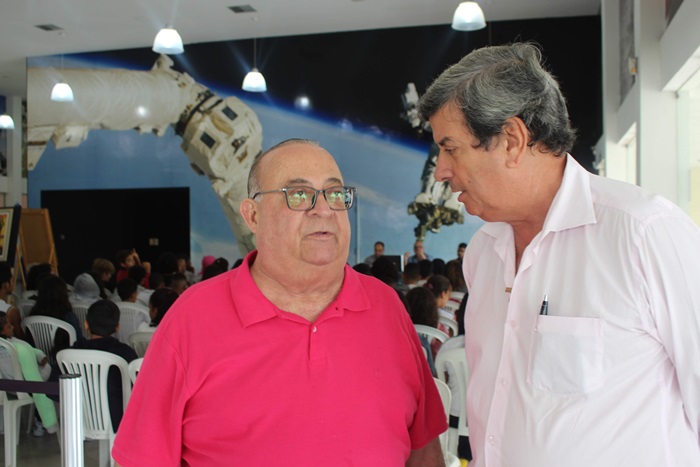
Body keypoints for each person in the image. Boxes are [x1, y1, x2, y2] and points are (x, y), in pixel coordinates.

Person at [417, 42, 700, 466]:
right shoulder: (483, 253)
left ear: (512, 140)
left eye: (450, 147)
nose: (440, 170)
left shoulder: (644, 234)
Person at [113, 138, 446, 466]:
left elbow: (423, 448)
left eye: (335, 194)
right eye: (299, 195)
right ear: (253, 215)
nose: (324, 209)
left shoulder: (386, 306)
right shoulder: (192, 318)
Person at [71, 300, 138, 430]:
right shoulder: (126, 353)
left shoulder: (72, 352)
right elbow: (139, 389)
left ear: (86, 325)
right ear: (117, 327)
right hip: (118, 422)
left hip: (79, 420)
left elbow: (55, 388)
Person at [0, 311, 58, 437]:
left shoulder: (9, 344)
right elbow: (34, 381)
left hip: (6, 387)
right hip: (24, 385)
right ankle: (43, 420)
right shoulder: (18, 349)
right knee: (56, 374)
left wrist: (39, 355)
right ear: (2, 331)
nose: (13, 327)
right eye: (9, 326)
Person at [0, 261, 26, 340]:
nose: (13, 283)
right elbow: (22, 338)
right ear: (5, 285)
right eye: (12, 280)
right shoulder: (12, 312)